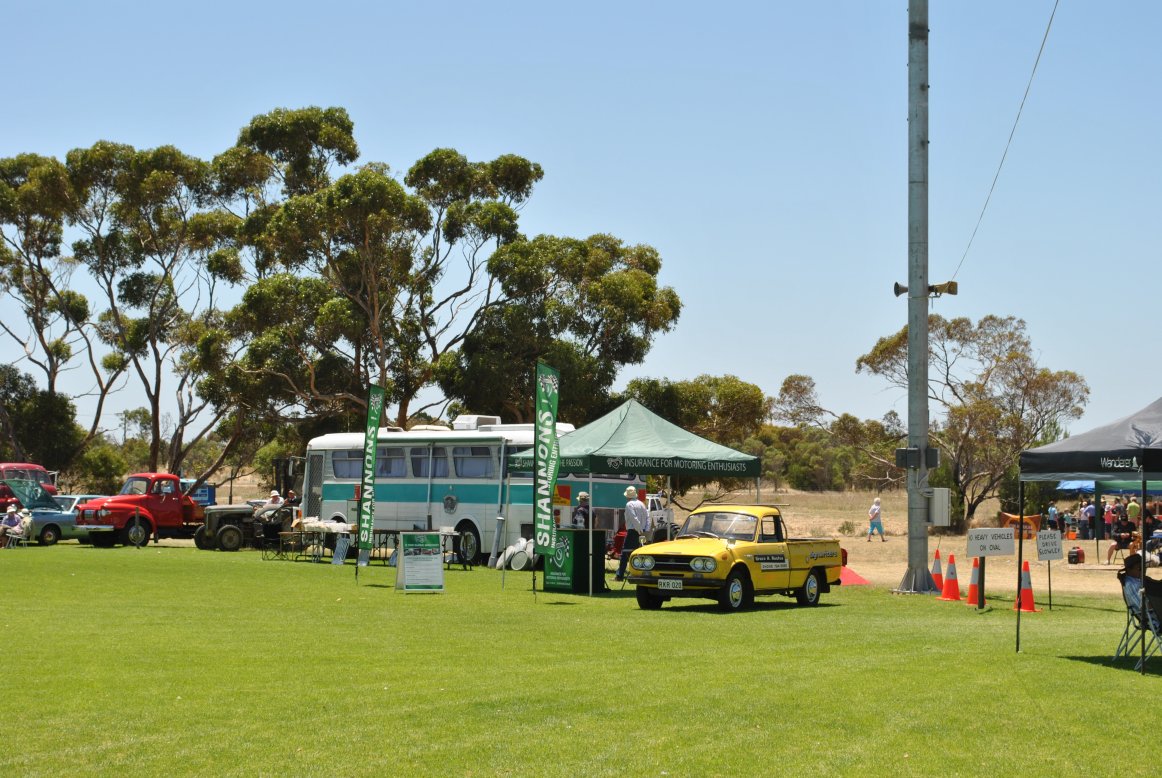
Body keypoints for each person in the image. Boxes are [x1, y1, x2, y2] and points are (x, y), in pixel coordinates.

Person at [615, 486, 648, 581]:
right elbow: (647, 517)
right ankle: (640, 573)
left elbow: (634, 518)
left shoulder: (629, 504)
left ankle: (620, 575)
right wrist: (643, 530)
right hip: (641, 531)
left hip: (633, 531)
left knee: (625, 552)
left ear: (628, 496)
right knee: (639, 553)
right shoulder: (641, 504)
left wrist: (638, 529)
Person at [1118, 553, 1162, 622]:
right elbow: (1142, 607)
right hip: (1153, 617)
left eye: (1144, 568)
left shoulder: (1139, 580)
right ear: (1129, 570)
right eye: (1139, 568)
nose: (1143, 571)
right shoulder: (1131, 584)